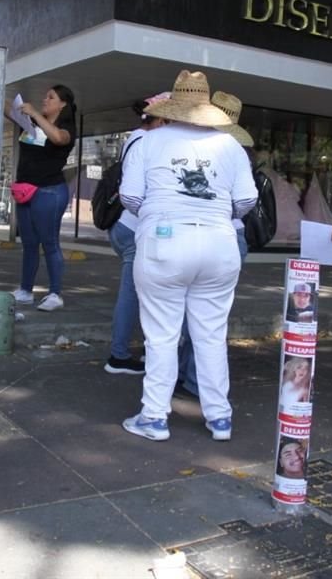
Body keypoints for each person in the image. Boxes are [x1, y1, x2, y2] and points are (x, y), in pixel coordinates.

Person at [119, 70, 258, 442]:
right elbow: (246, 201)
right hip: (219, 243)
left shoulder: (149, 142)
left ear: (173, 106)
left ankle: (154, 417)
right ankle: (220, 418)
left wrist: (163, 211)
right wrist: (213, 214)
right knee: (211, 335)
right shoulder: (230, 146)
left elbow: (129, 198)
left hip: (164, 241)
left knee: (162, 335)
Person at [176, 91, 253, 398]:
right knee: (204, 315)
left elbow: (242, 201)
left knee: (198, 316)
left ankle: (192, 378)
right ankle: (188, 375)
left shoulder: (213, 151)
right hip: (227, 236)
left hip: (216, 234)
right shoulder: (234, 152)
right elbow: (244, 201)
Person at [104, 93, 169, 375]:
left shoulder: (135, 137)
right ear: (163, 119)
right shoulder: (149, 142)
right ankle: (118, 356)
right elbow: (136, 192)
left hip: (124, 225)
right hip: (134, 227)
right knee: (132, 293)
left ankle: (138, 349)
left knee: (142, 292)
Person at [4, 85, 77, 312]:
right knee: (29, 243)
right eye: (45, 96)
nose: (45, 100)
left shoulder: (66, 127)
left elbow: (58, 138)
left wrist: (36, 113)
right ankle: (26, 290)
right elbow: (8, 110)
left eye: (50, 97)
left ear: (63, 104)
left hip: (49, 191)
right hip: (25, 189)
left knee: (50, 243)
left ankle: (55, 293)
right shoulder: (32, 124)